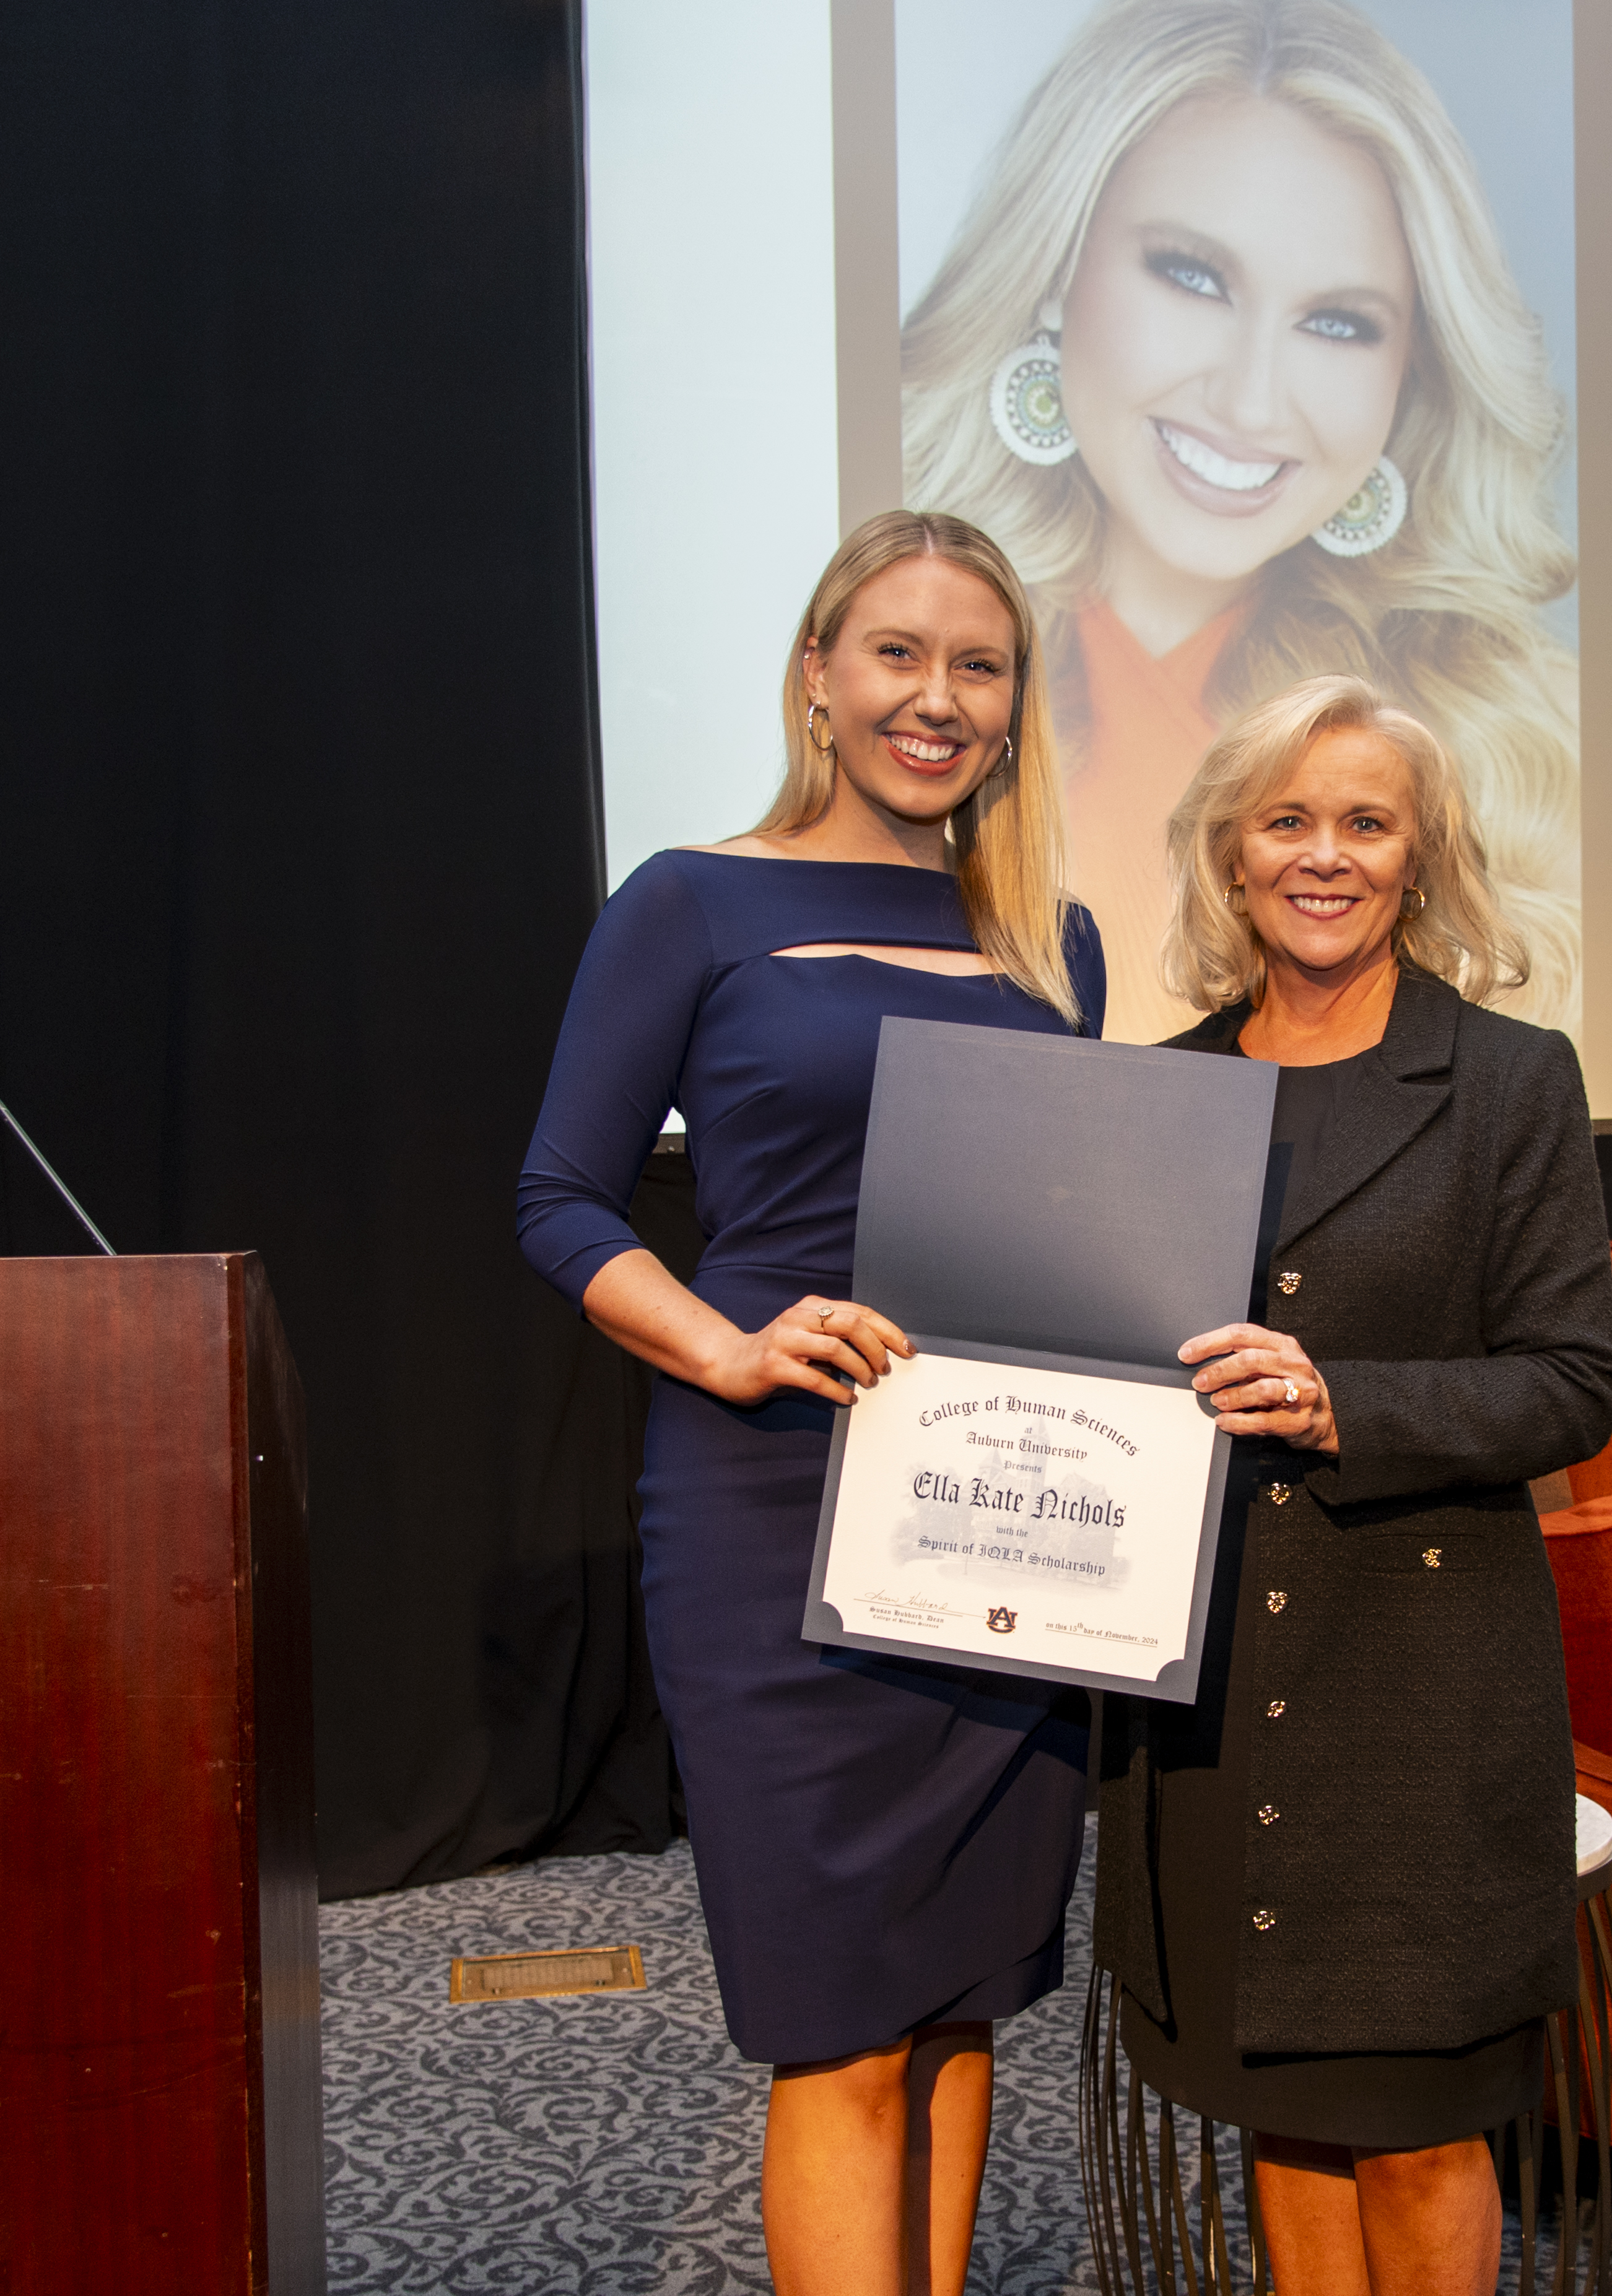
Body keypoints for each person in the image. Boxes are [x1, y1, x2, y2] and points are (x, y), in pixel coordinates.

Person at [515, 511, 1104, 2296]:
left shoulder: (1053, 936)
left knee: (961, 2007)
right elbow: (558, 1199)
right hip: (767, 1514)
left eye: (977, 664)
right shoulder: (690, 899)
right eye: (898, 654)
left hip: (996, 1521)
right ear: (817, 674)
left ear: (1012, 707)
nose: (936, 697)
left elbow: (1068, 1234)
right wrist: (726, 1345)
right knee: (840, 2027)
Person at [1094, 672, 1612, 2294]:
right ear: (1229, 851)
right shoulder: (1158, 1089)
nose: (1321, 855)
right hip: (1207, 1690)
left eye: (1363, 821)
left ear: (1417, 854)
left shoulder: (1507, 1078)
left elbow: (1574, 1379)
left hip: (1415, 1687)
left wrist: (1345, 1402)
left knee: (1409, 2127)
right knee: (1284, 2121)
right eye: (1286, 819)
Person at [902, 0, 1578, 1042]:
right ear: (1053, 271)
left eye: (1338, 323)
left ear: (1413, 374)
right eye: (1190, 275)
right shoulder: (913, 695)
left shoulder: (1524, 736)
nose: (1253, 401)